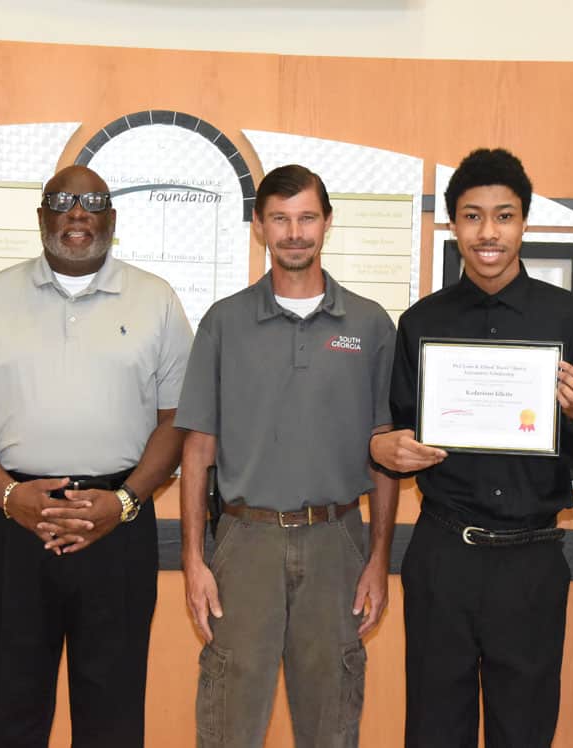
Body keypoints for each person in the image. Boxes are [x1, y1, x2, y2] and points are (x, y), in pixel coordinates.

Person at [370, 148, 573, 747]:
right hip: (443, 552)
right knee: (434, 726)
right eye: (473, 216)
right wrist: (387, 450)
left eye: (503, 216)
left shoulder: (572, 319)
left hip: (531, 558)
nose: (489, 232)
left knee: (524, 729)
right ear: (453, 226)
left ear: (524, 223)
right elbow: (390, 429)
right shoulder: (421, 322)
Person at [0, 164, 193, 747]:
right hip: (14, 520)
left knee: (112, 708)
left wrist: (125, 502)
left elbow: (178, 418)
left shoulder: (156, 300)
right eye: (62, 200)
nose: (76, 212)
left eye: (91, 202)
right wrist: (9, 496)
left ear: (111, 218)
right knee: (11, 704)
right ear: (41, 218)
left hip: (118, 522)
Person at [177, 164, 399, 748]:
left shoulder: (371, 325)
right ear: (259, 226)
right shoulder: (224, 322)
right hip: (245, 543)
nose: (294, 232)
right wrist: (194, 561)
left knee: (332, 724)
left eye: (306, 218)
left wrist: (378, 558)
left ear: (327, 223)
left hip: (337, 542)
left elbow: (386, 455)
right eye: (280, 218)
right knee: (229, 723)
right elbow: (198, 447)